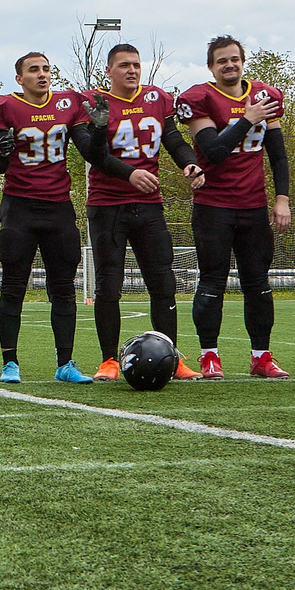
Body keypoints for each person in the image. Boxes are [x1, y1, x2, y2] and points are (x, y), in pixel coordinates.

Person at [175, 36, 293, 379]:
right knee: (212, 281)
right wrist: (245, 119)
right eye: (221, 61)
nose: (229, 65)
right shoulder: (201, 98)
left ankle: (261, 356)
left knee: (259, 282)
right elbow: (213, 150)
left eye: (234, 59)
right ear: (211, 67)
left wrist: (282, 197)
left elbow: (278, 155)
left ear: (243, 61)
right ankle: (209, 355)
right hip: (214, 205)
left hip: (253, 204)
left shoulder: (265, 96)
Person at [79, 43, 198, 382]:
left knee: (163, 281)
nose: (131, 70)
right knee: (108, 285)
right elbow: (93, 154)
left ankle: (173, 358)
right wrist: (128, 173)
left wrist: (189, 163)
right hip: (107, 205)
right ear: (109, 71)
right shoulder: (94, 101)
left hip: (149, 204)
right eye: (124, 65)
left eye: (136, 64)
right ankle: (108, 360)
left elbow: (173, 139)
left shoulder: (157, 99)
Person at [0, 50, 91, 384]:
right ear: (19, 78)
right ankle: (9, 363)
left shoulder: (67, 104)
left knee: (64, 288)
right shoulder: (5, 107)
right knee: (13, 285)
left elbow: (88, 150)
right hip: (19, 207)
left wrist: (98, 129)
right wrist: (1, 152)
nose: (42, 74)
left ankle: (65, 363)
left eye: (46, 69)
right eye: (34, 70)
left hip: (58, 205)